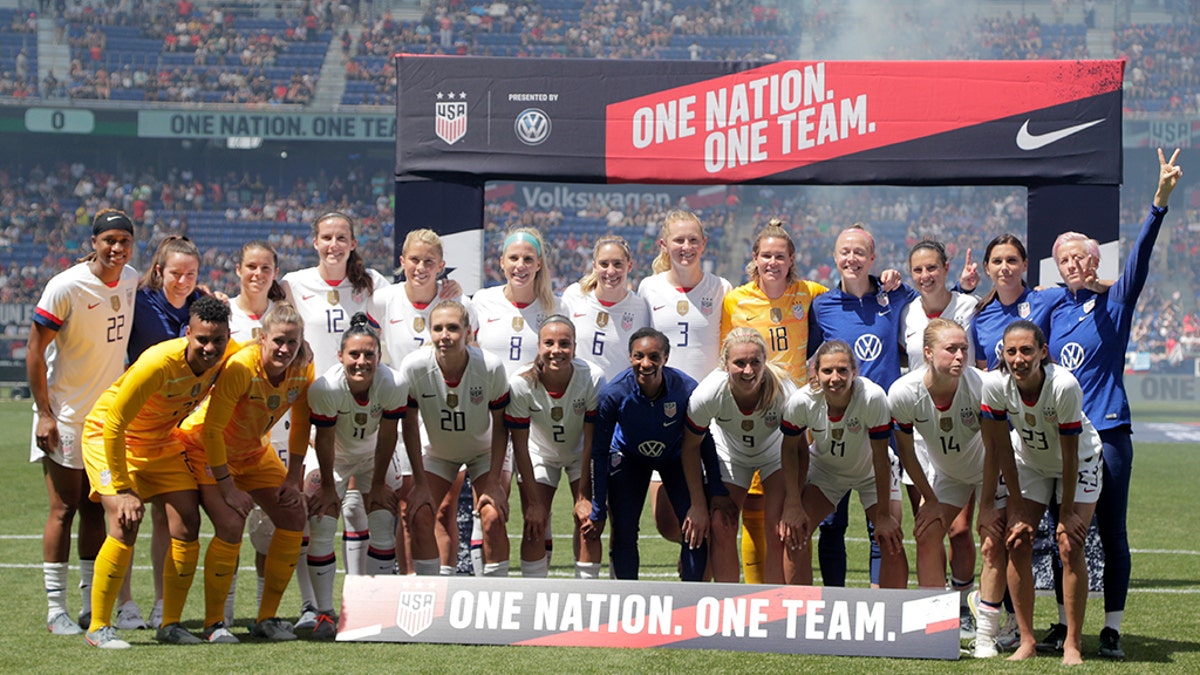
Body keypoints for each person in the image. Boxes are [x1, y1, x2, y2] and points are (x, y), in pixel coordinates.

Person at [1040, 148, 1183, 659]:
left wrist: (1159, 203)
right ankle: (1063, 623)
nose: (1072, 264)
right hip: (1064, 436)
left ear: (1096, 259)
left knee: (1110, 531)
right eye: (1063, 260)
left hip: (1111, 430)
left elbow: (1141, 257)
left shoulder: (1115, 303)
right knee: (1064, 530)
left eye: (1080, 256)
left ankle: (1113, 629)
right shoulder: (1051, 309)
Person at [79, 295, 235, 649]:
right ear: (187, 334)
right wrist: (121, 489)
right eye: (202, 340)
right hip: (110, 435)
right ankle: (99, 627)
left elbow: (259, 353)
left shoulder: (226, 355)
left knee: (187, 522)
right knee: (124, 520)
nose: (210, 348)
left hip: (161, 440)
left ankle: (171, 623)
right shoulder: (158, 362)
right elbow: (115, 423)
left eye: (218, 340)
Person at [27, 209, 137, 636]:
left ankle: (93, 603)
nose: (116, 248)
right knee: (64, 509)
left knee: (96, 509)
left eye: (124, 241)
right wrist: (44, 413)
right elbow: (35, 351)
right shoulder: (65, 286)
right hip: (65, 417)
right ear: (93, 241)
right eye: (108, 239)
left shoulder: (130, 279)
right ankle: (57, 610)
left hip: (105, 422)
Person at [176, 302, 314, 643]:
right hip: (206, 446)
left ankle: (266, 619)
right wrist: (226, 487)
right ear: (262, 339)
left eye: (292, 343)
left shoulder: (303, 370)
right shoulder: (240, 367)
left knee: (294, 514)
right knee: (231, 523)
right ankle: (213, 625)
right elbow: (211, 431)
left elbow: (300, 424)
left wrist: (293, 477)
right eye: (278, 341)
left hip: (253, 452)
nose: (285, 349)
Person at [282, 211, 389, 627]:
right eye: (326, 237)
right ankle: (313, 606)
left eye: (341, 237)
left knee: (368, 513)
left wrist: (449, 288)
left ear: (353, 243)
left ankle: (363, 605)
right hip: (313, 412)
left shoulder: (373, 284)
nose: (333, 245)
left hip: (365, 412)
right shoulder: (293, 283)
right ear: (315, 242)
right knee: (315, 508)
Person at [980, 320, 1103, 666]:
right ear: (1002, 353)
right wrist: (1014, 504)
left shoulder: (1063, 385)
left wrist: (1065, 513)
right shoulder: (995, 385)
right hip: (1030, 463)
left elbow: (1068, 453)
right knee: (1016, 540)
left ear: (1043, 352)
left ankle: (1072, 644)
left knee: (1069, 543)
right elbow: (999, 447)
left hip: (1077, 462)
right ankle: (1027, 639)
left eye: (1027, 350)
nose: (1018, 359)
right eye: (1011, 351)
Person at [305, 313, 434, 639]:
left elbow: (390, 435)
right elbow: (323, 439)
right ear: (340, 356)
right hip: (332, 456)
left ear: (379, 356)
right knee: (322, 522)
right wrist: (330, 489)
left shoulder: (393, 384)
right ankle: (323, 612)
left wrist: (376, 484)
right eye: (354, 354)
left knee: (380, 522)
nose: (361, 361)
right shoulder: (326, 387)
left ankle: (373, 611)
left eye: (369, 355)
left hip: (373, 457)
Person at [887, 319, 1008, 657]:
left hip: (991, 472)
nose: (960, 356)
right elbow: (907, 451)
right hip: (949, 477)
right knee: (926, 531)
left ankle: (986, 635)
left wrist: (986, 505)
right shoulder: (903, 392)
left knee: (992, 540)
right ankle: (934, 629)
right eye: (951, 349)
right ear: (927, 353)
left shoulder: (983, 386)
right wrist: (930, 498)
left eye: (964, 349)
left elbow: (996, 449)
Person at [808, 225, 915, 588]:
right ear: (835, 258)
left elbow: (936, 306)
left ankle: (877, 602)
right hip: (836, 426)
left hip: (883, 428)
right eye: (844, 252)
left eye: (859, 252)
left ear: (872, 257)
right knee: (832, 524)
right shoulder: (822, 305)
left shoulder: (894, 295)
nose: (851, 258)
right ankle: (834, 600)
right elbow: (813, 363)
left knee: (881, 524)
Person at [721, 219, 827, 583]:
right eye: (766, 255)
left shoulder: (810, 292)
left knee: (784, 508)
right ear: (755, 258)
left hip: (796, 417)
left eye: (779, 256)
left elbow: (848, 296)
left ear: (791, 259)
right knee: (754, 507)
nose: (772, 263)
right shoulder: (735, 299)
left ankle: (779, 593)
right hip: (754, 411)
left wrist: (881, 282)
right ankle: (755, 592)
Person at [227, 240, 320, 629]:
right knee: (228, 523)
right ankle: (223, 613)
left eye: (266, 268)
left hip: (273, 438)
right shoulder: (224, 312)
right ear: (238, 269)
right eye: (251, 266)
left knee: (286, 523)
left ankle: (287, 610)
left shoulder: (289, 318)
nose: (258, 274)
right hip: (223, 441)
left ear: (275, 273)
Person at [589, 327, 726, 581]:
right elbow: (598, 452)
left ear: (666, 357)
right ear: (630, 357)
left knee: (693, 527)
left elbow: (704, 440)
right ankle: (626, 600)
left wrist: (716, 488)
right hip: (629, 457)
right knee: (624, 530)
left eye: (654, 356)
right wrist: (597, 507)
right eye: (638, 356)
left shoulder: (685, 389)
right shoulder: (614, 394)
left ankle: (690, 602)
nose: (645, 363)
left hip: (675, 457)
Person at [778, 339, 908, 589]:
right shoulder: (802, 401)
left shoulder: (872, 397)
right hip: (827, 472)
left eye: (842, 370)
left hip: (872, 472)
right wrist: (793, 502)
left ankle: (892, 620)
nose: (835, 378)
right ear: (815, 372)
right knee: (795, 534)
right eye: (827, 371)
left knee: (890, 537)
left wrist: (882, 516)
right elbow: (789, 449)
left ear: (855, 372)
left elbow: (880, 456)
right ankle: (798, 615)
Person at [371, 228, 465, 574]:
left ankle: (444, 589)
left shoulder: (457, 303)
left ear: (441, 265)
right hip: (398, 416)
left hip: (442, 416)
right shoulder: (384, 300)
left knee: (441, 509)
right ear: (402, 262)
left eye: (429, 261)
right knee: (407, 508)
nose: (421, 267)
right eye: (414, 260)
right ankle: (407, 588)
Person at [899, 239, 980, 635]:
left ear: (946, 268)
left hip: (964, 431)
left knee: (961, 529)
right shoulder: (905, 311)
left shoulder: (968, 305)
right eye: (918, 270)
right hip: (921, 436)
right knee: (926, 525)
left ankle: (964, 606)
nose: (925, 276)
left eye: (932, 267)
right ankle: (934, 617)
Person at [638, 210, 731, 547]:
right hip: (662, 412)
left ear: (704, 244)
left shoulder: (720, 288)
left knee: (707, 509)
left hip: (709, 416)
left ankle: (696, 572)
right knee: (666, 522)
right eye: (679, 240)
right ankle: (691, 559)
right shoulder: (649, 288)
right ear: (665, 244)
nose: (686, 246)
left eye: (693, 240)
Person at [398, 301, 511, 575]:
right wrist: (421, 483)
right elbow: (410, 425)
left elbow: (501, 425)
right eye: (437, 328)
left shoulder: (490, 367)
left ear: (468, 332)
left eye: (452, 328)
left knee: (492, 515)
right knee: (420, 512)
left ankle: (497, 600)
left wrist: (495, 481)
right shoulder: (414, 367)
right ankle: (430, 597)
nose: (444, 335)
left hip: (484, 452)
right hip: (439, 453)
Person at [683, 327, 795, 583]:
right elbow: (690, 447)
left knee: (779, 528)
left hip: (776, 454)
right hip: (730, 454)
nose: (748, 370)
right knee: (721, 526)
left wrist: (795, 500)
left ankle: (776, 609)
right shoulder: (707, 393)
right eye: (739, 363)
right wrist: (699, 504)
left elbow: (798, 447)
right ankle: (729, 609)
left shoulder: (785, 392)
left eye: (755, 362)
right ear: (724, 365)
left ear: (765, 362)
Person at [504, 315, 605, 578]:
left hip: (580, 454)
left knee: (588, 521)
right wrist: (535, 503)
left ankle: (587, 598)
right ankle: (534, 598)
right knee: (534, 521)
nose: (556, 351)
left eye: (564, 344)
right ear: (538, 346)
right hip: (539, 455)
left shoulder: (592, 377)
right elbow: (520, 445)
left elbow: (592, 438)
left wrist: (583, 497)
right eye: (549, 343)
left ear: (574, 347)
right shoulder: (521, 382)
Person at [560, 234, 650, 382]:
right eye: (604, 264)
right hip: (578, 395)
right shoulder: (574, 295)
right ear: (594, 266)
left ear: (630, 265)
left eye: (617, 264)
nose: (611, 271)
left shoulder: (640, 308)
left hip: (617, 399)